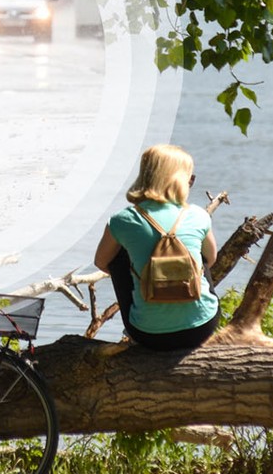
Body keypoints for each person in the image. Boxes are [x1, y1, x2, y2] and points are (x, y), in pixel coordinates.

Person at [93, 144, 220, 350]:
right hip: (201, 328)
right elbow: (211, 260)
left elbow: (101, 262)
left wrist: (142, 274)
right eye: (190, 179)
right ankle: (193, 309)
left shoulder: (123, 220)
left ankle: (147, 311)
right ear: (179, 180)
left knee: (117, 258)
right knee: (201, 257)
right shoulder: (198, 215)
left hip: (148, 334)